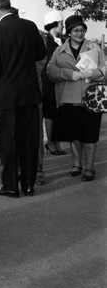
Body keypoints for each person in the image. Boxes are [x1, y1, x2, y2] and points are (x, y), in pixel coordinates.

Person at [0, 0, 46, 197]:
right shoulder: (29, 26)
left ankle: (11, 185)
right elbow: (40, 54)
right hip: (29, 92)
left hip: (6, 96)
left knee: (7, 141)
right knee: (28, 140)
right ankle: (29, 183)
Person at [47, 14, 106, 182]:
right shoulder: (59, 51)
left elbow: (105, 67)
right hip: (68, 98)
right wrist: (68, 74)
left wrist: (93, 73)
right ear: (69, 32)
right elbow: (50, 71)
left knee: (90, 135)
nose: (79, 33)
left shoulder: (94, 47)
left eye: (82, 30)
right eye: (75, 30)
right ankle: (76, 165)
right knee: (74, 136)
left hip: (91, 98)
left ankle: (90, 167)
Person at [41, 10, 66, 157]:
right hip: (49, 80)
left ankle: (56, 141)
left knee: (58, 112)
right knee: (50, 111)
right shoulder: (45, 41)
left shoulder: (63, 40)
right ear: (54, 24)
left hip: (61, 80)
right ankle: (50, 142)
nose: (62, 26)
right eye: (61, 23)